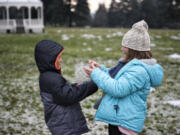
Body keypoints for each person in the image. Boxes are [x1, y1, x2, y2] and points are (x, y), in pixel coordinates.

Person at [84, 20, 164, 135]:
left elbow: (118, 88)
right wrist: (101, 69)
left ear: (133, 49)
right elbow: (117, 78)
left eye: (124, 45)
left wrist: (96, 74)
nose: (122, 48)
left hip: (125, 124)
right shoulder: (130, 65)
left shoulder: (139, 71)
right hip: (119, 117)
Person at [34, 40, 98, 135]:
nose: (61, 60)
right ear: (49, 60)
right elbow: (69, 96)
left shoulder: (49, 76)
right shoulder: (51, 79)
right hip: (65, 128)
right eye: (58, 57)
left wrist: (76, 85)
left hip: (63, 126)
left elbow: (63, 91)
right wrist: (93, 83)